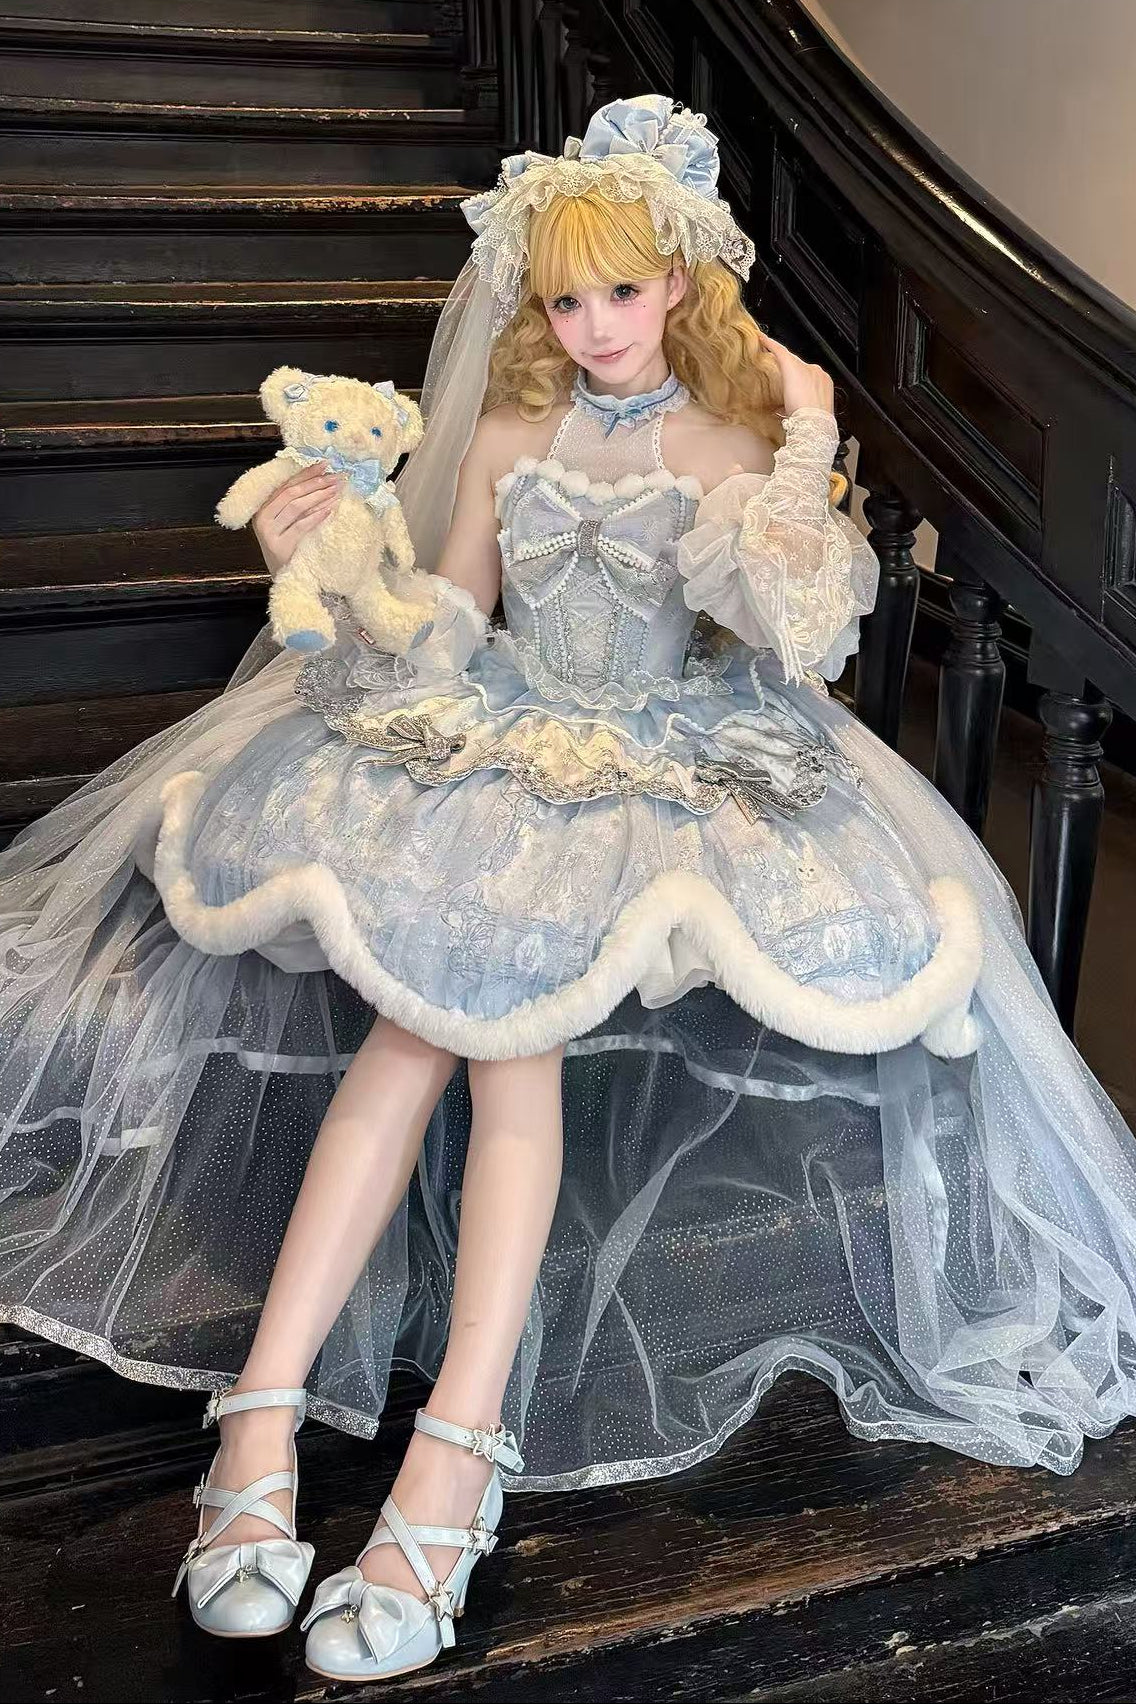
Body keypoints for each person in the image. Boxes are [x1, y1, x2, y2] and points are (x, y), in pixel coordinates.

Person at [3, 94, 1136, 1683]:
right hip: (497, 748)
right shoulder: (510, 437)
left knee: (501, 1052)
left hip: (647, 769)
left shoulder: (728, 446)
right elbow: (451, 627)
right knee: (412, 1040)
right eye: (561, 298)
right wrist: (333, 569)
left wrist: (809, 438)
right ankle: (262, 1419)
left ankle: (449, 1452)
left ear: (677, 281)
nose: (593, 325)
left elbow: (795, 635)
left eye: (619, 289)